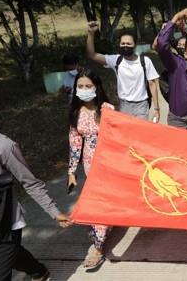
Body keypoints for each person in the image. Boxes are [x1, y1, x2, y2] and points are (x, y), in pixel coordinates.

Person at [0, 131, 71, 281]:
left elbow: (31, 183)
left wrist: (53, 211)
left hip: (4, 225)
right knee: (13, 256)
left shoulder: (4, 146)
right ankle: (38, 271)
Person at [66, 68, 115, 269]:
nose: (84, 89)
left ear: (97, 88)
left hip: (109, 162)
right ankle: (98, 243)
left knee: (105, 201)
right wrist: (71, 171)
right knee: (100, 202)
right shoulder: (75, 112)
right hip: (90, 164)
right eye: (80, 86)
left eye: (88, 86)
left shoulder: (107, 109)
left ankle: (98, 242)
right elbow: (75, 142)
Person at [86, 22, 160, 121]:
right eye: (123, 43)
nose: (125, 45)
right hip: (124, 105)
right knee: (126, 134)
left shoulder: (145, 61)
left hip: (141, 105)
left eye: (129, 43)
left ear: (135, 45)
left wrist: (156, 108)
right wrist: (91, 34)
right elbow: (92, 55)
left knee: (139, 134)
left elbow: (152, 84)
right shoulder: (116, 60)